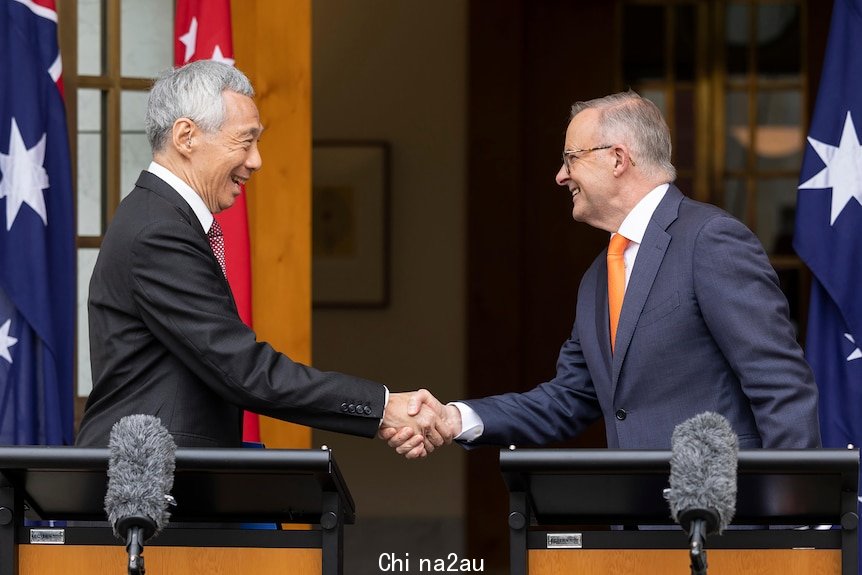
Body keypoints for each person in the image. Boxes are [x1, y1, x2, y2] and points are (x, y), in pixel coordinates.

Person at [382, 91, 821, 456]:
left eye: (571, 158)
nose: (559, 176)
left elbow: (779, 384)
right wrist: (452, 418)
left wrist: (793, 517)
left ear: (617, 158)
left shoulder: (709, 239)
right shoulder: (599, 275)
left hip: (727, 524)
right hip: (635, 529)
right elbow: (569, 398)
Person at [76, 60, 441, 454]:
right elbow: (242, 369)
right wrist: (384, 406)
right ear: (186, 136)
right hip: (150, 489)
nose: (255, 161)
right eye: (245, 141)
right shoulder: (158, 231)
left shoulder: (158, 217)